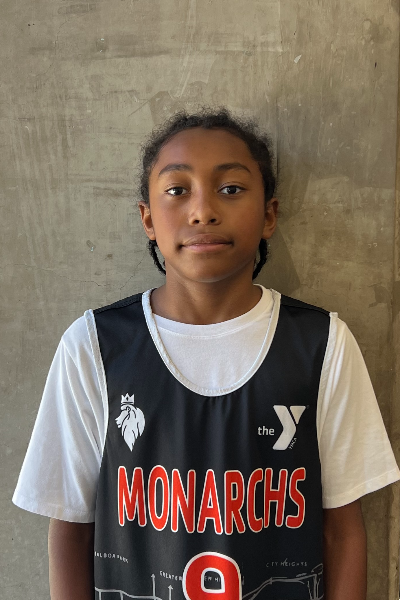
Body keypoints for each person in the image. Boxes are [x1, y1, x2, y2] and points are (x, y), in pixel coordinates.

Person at [13, 107, 400, 600]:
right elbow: (71, 529)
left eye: (231, 189)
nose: (203, 211)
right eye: (178, 190)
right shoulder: (94, 346)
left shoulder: (323, 344)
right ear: (147, 218)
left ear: (269, 215)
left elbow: (341, 531)